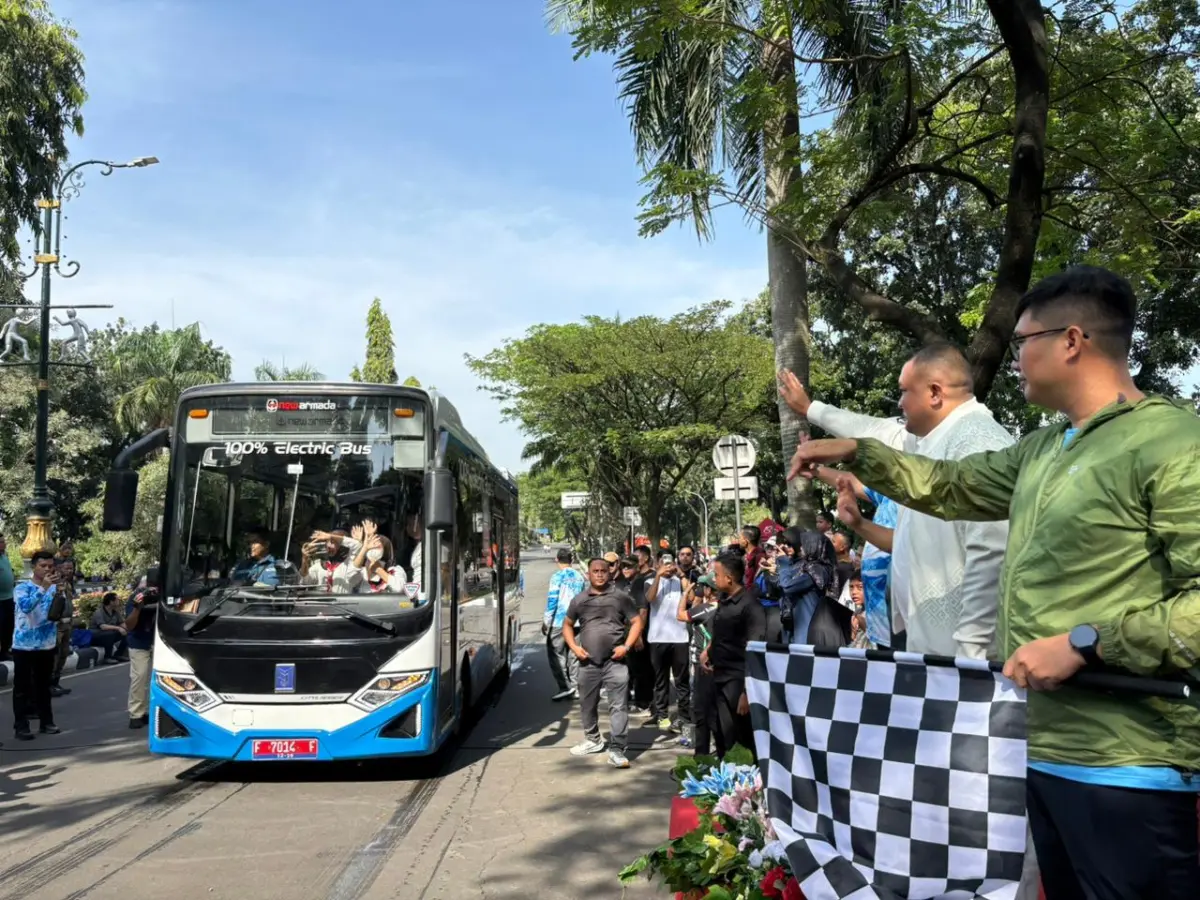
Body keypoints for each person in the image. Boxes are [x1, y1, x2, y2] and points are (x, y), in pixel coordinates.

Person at [788, 265, 1199, 899]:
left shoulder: (1173, 442)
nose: (1013, 362)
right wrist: (859, 453)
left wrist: (1086, 642)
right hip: (1035, 748)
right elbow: (951, 487)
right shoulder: (1042, 449)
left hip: (1128, 763)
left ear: (1071, 341)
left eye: (1024, 340)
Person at [781, 341, 1013, 660]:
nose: (899, 403)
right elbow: (874, 431)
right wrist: (812, 410)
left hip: (965, 658)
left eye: (905, 391)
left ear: (934, 393)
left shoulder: (977, 442)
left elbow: (992, 550)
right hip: (935, 650)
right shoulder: (928, 439)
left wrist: (970, 653)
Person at [561, 557, 644, 769]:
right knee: (588, 705)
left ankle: (617, 748)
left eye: (603, 571)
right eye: (595, 571)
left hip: (615, 662)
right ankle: (593, 740)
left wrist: (626, 646)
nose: (599, 574)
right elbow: (567, 625)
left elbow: (636, 622)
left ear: (610, 573)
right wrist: (574, 647)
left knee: (619, 706)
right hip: (588, 663)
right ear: (588, 574)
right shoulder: (579, 600)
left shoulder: (621, 598)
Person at [700, 553, 767, 758]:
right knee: (721, 731)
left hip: (738, 681)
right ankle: (725, 778)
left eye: (716, 574)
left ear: (729, 578)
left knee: (742, 737)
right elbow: (721, 633)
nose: (713, 578)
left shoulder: (750, 606)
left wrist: (747, 692)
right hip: (719, 675)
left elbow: (755, 650)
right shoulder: (724, 600)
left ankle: (747, 785)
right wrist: (708, 651)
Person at [12, 551, 61, 740]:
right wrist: (43, 588)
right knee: (22, 688)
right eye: (43, 566)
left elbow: (57, 610)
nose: (47, 569)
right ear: (34, 567)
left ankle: (46, 722)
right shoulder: (22, 588)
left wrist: (61, 590)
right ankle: (21, 725)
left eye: (50, 566)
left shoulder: (54, 587)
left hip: (46, 644)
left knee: (43, 685)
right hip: (24, 645)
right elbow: (25, 607)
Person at [645, 554, 690, 731]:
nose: (668, 566)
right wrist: (658, 575)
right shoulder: (650, 581)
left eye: (671, 562)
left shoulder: (680, 580)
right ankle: (662, 715)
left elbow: (692, 596)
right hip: (658, 638)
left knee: (682, 681)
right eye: (664, 562)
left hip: (680, 637)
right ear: (657, 564)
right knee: (660, 680)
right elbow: (650, 598)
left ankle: (684, 716)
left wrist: (681, 575)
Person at [543, 548, 587, 701]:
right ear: (572, 560)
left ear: (557, 560)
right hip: (576, 621)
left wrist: (546, 622)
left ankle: (565, 687)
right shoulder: (580, 577)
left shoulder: (557, 577)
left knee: (556, 654)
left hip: (559, 622)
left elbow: (552, 600)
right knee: (574, 653)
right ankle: (575, 687)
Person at [125, 568, 161, 729]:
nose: (152, 591)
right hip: (139, 640)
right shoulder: (137, 597)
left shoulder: (169, 595)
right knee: (139, 677)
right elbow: (129, 625)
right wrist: (138, 608)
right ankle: (136, 713)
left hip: (160, 641)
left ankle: (154, 711)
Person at [49, 558, 76, 697]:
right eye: (66, 568)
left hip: (67, 624)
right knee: (55, 655)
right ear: (58, 568)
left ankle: (55, 682)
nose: (70, 571)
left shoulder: (68, 584)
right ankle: (49, 686)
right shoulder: (52, 584)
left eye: (71, 568)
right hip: (57, 625)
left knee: (63, 655)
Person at [88, 592, 130, 664]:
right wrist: (118, 628)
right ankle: (107, 657)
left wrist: (129, 628)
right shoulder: (99, 612)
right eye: (117, 600)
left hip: (109, 635)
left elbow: (121, 623)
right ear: (111, 602)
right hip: (96, 637)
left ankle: (119, 654)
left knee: (126, 633)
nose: (118, 601)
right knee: (110, 633)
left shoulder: (115, 612)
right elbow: (103, 626)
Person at [0, 532, 14, 661]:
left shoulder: (4, 556)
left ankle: (4, 651)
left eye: (4, 541)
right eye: (1, 542)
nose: (4, 544)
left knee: (8, 626)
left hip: (9, 598)